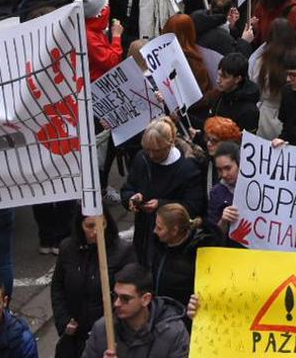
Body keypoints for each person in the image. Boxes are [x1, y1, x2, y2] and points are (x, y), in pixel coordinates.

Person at [51, 210, 136, 358]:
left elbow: (129, 295)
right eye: (89, 226)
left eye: (100, 224)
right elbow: (58, 287)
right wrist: (63, 321)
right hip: (75, 335)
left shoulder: (123, 252)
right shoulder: (67, 248)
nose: (96, 231)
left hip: (108, 336)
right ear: (80, 225)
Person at [122, 119, 206, 266]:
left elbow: (193, 206)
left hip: (171, 241)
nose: (152, 155)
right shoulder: (142, 158)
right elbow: (128, 188)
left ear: (170, 143)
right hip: (143, 234)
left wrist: (161, 205)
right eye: (148, 150)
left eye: (157, 150)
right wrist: (130, 199)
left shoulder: (188, 169)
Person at [80, 263, 187, 358]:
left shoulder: (173, 332)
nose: (117, 303)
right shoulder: (102, 328)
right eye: (115, 296)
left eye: (125, 299)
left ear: (146, 299)